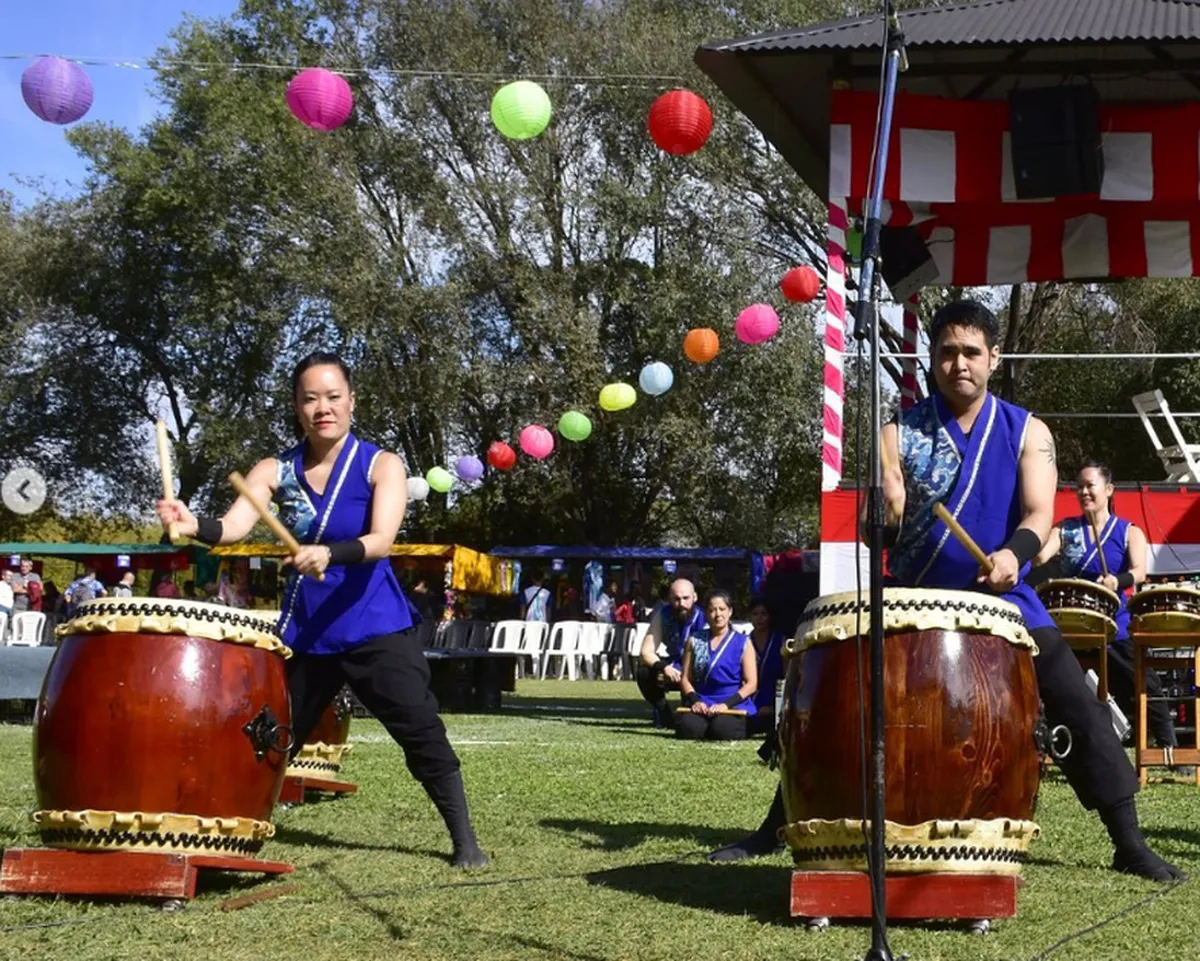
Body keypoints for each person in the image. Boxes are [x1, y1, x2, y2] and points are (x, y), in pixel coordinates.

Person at [709, 300, 1181, 881]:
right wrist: (883, 512)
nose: (959, 363)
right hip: (911, 596)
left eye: (971, 352)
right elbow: (879, 525)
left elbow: (1037, 514)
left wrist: (1014, 554)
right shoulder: (898, 431)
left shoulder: (1027, 430)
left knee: (1076, 701)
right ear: (933, 358)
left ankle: (1128, 841)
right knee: (838, 695)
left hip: (1003, 600)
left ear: (994, 357)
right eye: (947, 352)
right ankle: (779, 826)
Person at [156, 350, 487, 868]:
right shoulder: (274, 470)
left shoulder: (381, 464)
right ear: (296, 406)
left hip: (373, 623)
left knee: (420, 727)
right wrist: (192, 522)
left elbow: (380, 540)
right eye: (310, 398)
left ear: (351, 402)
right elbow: (232, 528)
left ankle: (465, 841)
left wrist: (330, 552)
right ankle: (229, 829)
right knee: (268, 736)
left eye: (333, 397)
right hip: (306, 632)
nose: (322, 408)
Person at [1035, 461, 1180, 754]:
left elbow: (1139, 572)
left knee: (1142, 680)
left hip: (1115, 620)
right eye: (1079, 486)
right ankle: (1055, 744)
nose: (1084, 491)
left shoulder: (1128, 531)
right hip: (1073, 622)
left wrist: (1117, 579)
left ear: (1109, 490)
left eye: (1090, 485)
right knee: (1048, 673)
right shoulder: (1066, 530)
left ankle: (1168, 744)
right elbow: (1039, 558)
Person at [677, 591, 757, 741]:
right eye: (712, 610)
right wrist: (695, 701)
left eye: (722, 609)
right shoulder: (694, 640)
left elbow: (751, 684)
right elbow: (685, 679)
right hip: (702, 703)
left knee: (722, 729)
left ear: (730, 611)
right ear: (706, 613)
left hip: (731, 705)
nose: (717, 614)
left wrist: (726, 705)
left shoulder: (743, 642)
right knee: (689, 728)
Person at [636, 578, 706, 728]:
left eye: (686, 598)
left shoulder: (706, 616)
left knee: (689, 721)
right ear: (669, 599)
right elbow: (646, 652)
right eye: (676, 599)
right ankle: (664, 714)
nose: (681, 604)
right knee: (644, 672)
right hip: (674, 666)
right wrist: (664, 667)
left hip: (699, 669)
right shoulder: (663, 615)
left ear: (695, 597)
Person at [746, 597, 785, 736]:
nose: (759, 618)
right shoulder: (743, 642)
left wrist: (775, 706)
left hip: (773, 703)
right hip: (748, 703)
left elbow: (787, 676)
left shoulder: (781, 641)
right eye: (755, 614)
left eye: (763, 614)